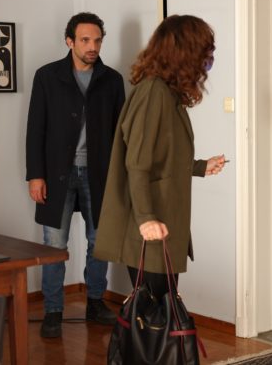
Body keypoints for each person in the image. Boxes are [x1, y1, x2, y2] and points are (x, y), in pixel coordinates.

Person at [93, 15, 225, 303]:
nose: (208, 60)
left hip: (161, 220)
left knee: (158, 311)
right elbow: (137, 163)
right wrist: (146, 219)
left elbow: (163, 157)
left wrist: (201, 167)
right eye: (205, 51)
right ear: (186, 53)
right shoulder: (153, 92)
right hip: (149, 223)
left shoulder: (167, 93)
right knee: (155, 312)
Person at [26, 12, 125, 338]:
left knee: (100, 241)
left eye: (97, 40)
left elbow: (120, 133)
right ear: (70, 41)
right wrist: (35, 175)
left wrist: (120, 179)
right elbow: (35, 129)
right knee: (54, 244)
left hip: (100, 173)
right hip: (57, 173)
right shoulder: (47, 76)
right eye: (85, 40)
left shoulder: (112, 80)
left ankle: (95, 301)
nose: (92, 46)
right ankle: (53, 310)